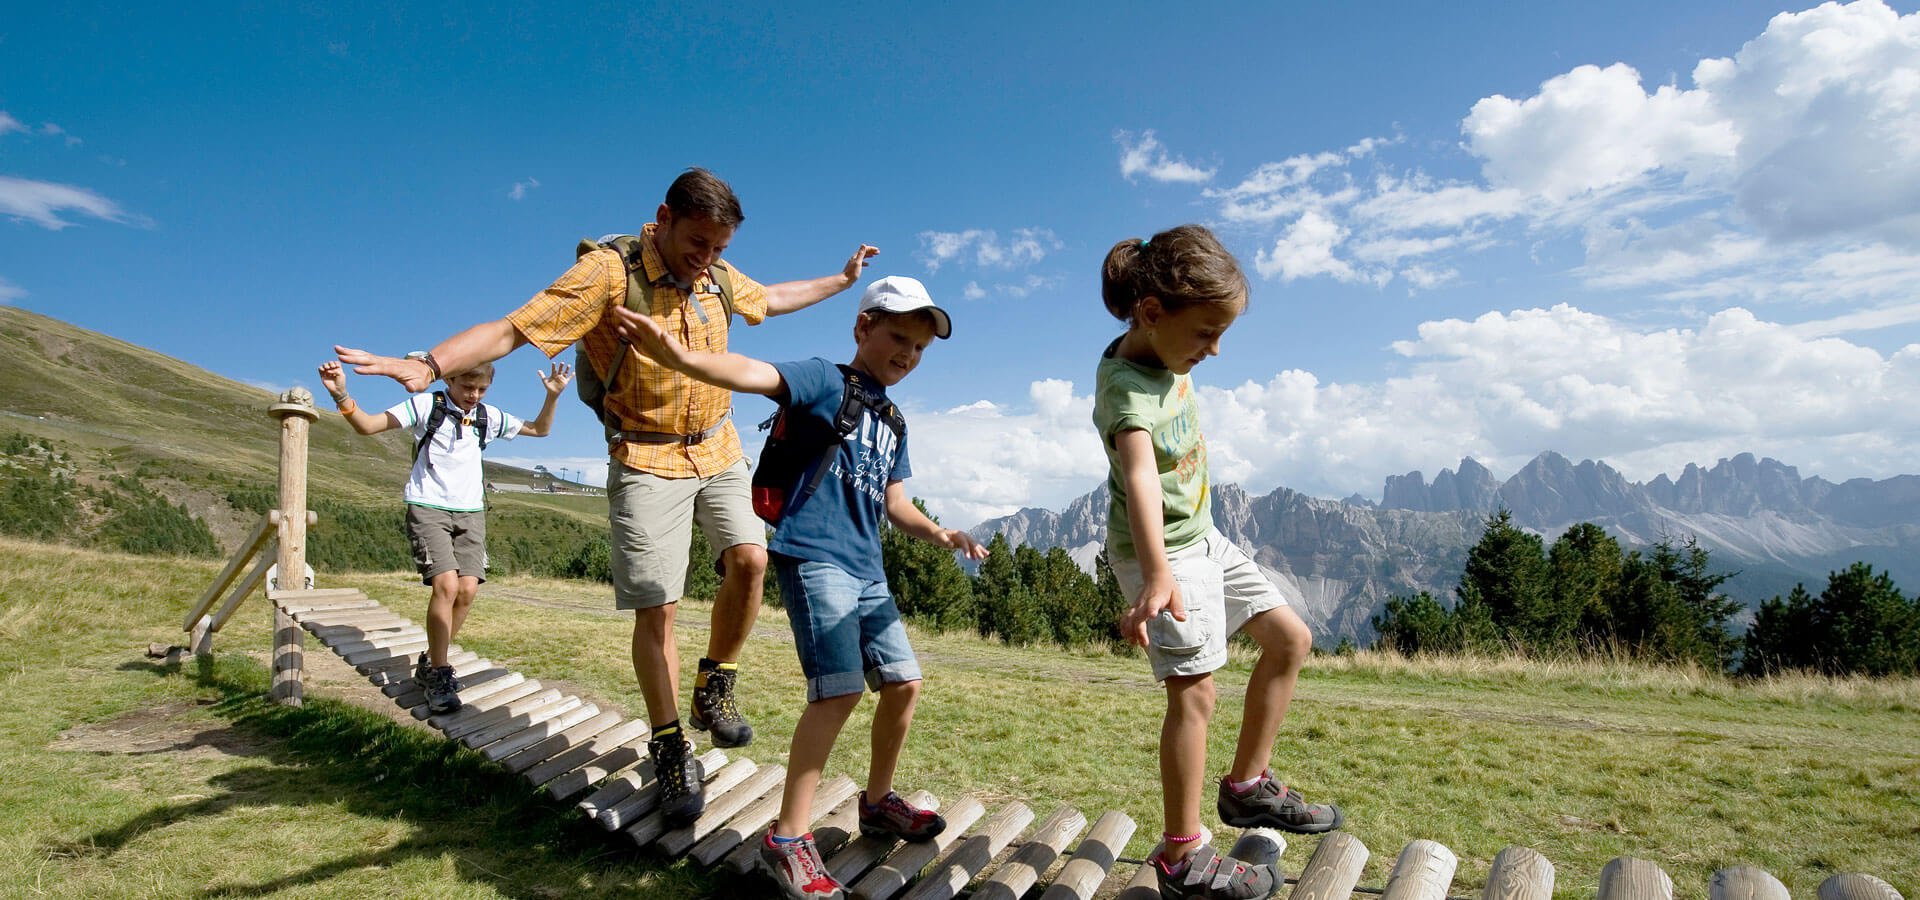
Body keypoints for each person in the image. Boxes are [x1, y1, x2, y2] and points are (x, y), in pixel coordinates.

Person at [334, 167, 878, 825]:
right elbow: (514, 330)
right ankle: (671, 744)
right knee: (660, 609)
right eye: (696, 243)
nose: (705, 259)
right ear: (663, 218)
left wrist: (841, 281)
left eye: (719, 249)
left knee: (751, 560)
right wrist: (430, 365)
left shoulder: (715, 277)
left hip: (718, 445)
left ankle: (716, 683)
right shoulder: (607, 273)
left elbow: (774, 297)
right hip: (646, 456)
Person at [624, 275, 986, 900]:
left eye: (920, 348)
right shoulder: (825, 379)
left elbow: (895, 501)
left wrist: (940, 532)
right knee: (839, 691)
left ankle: (875, 803)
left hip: (868, 569)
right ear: (863, 327)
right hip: (813, 559)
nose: (908, 354)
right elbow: (753, 373)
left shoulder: (893, 420)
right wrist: (681, 357)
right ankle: (788, 839)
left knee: (905, 685)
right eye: (898, 336)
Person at [1092, 226, 1344, 900]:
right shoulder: (1126, 391)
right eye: (1206, 333)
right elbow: (1141, 478)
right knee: (1194, 691)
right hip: (1163, 551)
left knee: (1290, 639)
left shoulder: (1161, 355)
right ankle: (1182, 853)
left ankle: (1246, 787)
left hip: (1205, 538)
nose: (1216, 349)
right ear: (1151, 313)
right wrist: (1156, 575)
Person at [316, 358, 572, 713]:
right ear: (450, 378)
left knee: (466, 590)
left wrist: (553, 397)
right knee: (446, 586)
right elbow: (368, 425)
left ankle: (430, 662)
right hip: (428, 506)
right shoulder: (427, 406)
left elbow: (539, 430)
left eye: (482, 389)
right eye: (468, 387)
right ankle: (439, 672)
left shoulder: (488, 416)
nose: (474, 395)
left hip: (472, 511)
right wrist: (342, 394)